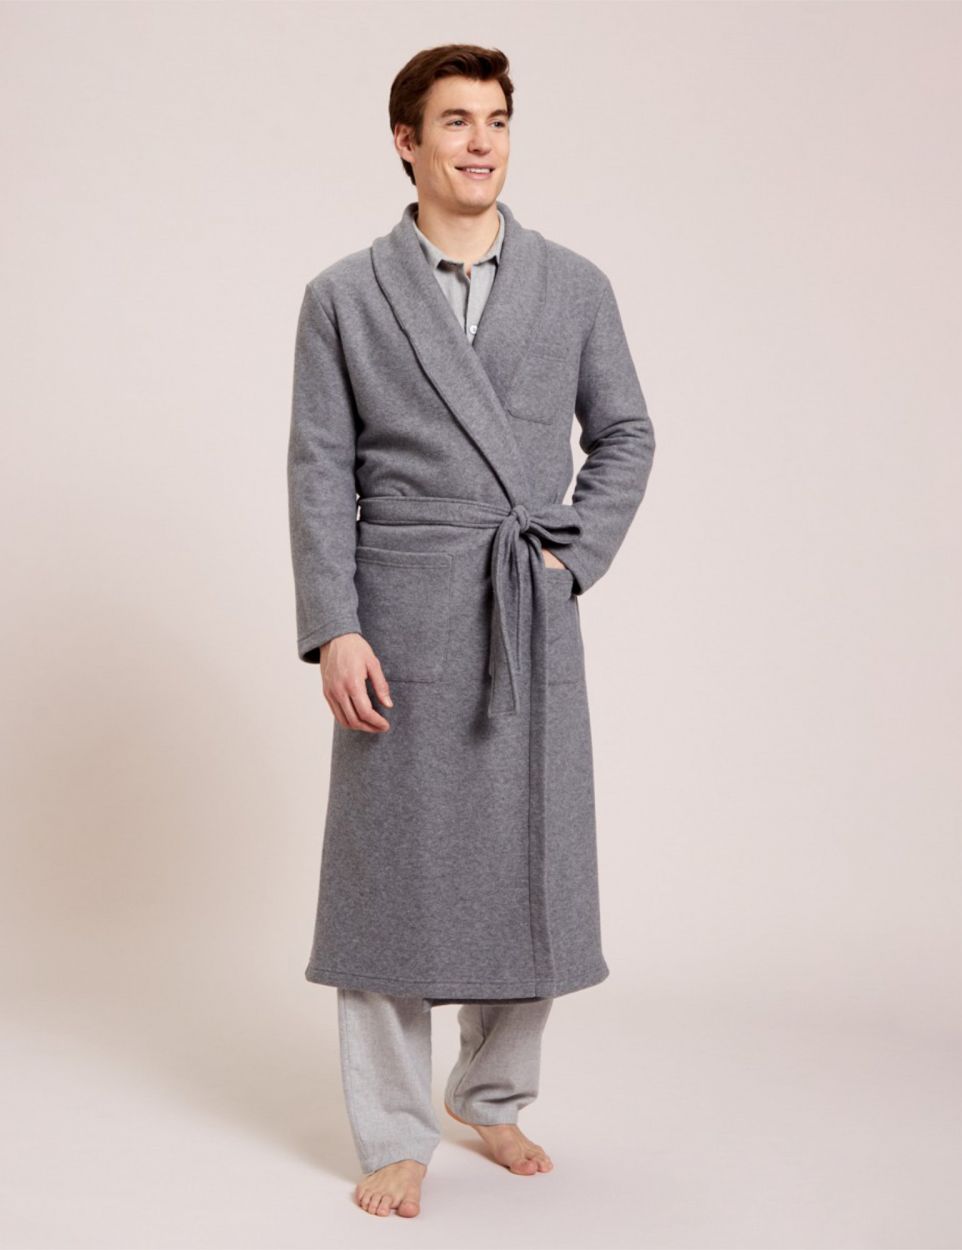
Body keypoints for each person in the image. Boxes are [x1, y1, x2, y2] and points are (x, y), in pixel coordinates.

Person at [287, 44, 655, 1219]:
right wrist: (335, 625)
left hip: (522, 609)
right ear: (407, 141)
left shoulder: (573, 285)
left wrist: (568, 557)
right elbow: (318, 470)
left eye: (495, 119)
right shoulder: (345, 295)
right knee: (387, 875)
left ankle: (490, 1095)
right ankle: (395, 1129)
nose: (480, 140)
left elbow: (627, 432)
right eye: (455, 121)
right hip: (399, 610)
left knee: (524, 860)